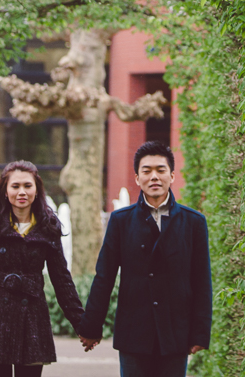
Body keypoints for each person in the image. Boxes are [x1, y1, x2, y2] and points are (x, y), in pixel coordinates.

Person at [77, 141, 212, 377]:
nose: (154, 177)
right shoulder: (120, 220)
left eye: (160, 170)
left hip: (175, 333)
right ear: (137, 178)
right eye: (146, 171)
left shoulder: (194, 222)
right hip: (134, 332)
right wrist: (91, 327)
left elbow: (202, 280)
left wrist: (200, 332)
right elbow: (104, 276)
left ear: (171, 175)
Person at [0, 160, 87, 377]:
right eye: (15, 186)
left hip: (32, 316)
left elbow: (61, 279)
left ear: (37, 189)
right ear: (5, 190)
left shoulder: (49, 226)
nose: (22, 192)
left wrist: (81, 324)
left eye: (28, 186)